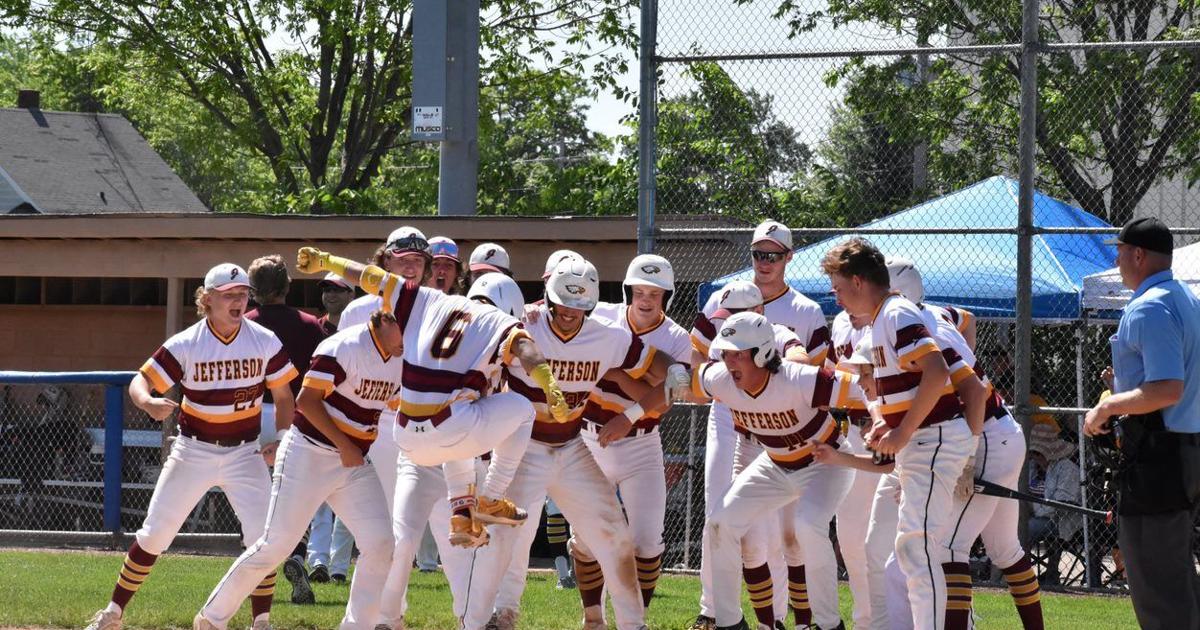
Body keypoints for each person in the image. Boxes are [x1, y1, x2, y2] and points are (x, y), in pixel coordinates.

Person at [462, 257, 686, 630]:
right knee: (499, 538)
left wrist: (677, 371)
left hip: (572, 446)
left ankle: (633, 625)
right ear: (548, 298)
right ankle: (474, 623)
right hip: (523, 448)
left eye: (579, 306)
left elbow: (657, 362)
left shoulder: (607, 336)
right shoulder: (527, 322)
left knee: (615, 535)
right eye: (563, 303)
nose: (569, 312)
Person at [84, 263, 297, 630]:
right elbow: (140, 381)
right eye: (229, 295)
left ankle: (261, 621)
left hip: (244, 451)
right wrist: (147, 402)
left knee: (263, 539)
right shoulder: (187, 342)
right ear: (207, 299)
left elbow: (284, 396)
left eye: (243, 294)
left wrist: (280, 438)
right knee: (155, 533)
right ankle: (113, 614)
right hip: (193, 450)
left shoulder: (264, 339)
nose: (238, 301)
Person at [195, 310, 404, 630]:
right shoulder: (343, 346)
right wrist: (344, 445)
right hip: (309, 453)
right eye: (406, 325)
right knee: (276, 545)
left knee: (380, 543)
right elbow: (306, 401)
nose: (413, 334)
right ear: (385, 321)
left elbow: (400, 405)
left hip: (352, 463)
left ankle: (357, 625)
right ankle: (211, 618)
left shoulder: (401, 358)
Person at [822, 238, 978, 630]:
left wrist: (902, 431)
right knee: (912, 550)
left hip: (933, 438)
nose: (836, 297)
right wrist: (889, 424)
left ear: (858, 282)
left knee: (917, 549)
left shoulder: (894, 312)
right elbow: (911, 383)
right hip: (925, 441)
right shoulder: (882, 318)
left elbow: (936, 371)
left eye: (838, 287)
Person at [886, 256, 1044, 630]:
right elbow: (967, 318)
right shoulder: (934, 315)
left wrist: (966, 459)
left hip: (984, 436)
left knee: (948, 548)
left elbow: (971, 395)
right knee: (1005, 549)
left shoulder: (925, 332)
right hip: (1000, 432)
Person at [690, 219, 831, 630]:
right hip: (728, 414)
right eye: (758, 253)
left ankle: (782, 616)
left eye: (773, 254)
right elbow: (696, 353)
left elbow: (813, 373)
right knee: (720, 508)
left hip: (784, 421)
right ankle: (713, 609)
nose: (764, 261)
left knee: (783, 526)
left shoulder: (804, 311)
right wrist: (715, 387)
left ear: (789, 257)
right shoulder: (724, 298)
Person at [696, 312, 859, 630]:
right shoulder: (720, 378)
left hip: (825, 462)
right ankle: (729, 623)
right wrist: (637, 408)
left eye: (737, 353)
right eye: (725, 353)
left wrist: (886, 423)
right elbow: (681, 380)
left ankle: (828, 624)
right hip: (776, 463)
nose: (728, 361)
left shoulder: (798, 378)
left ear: (763, 353)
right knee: (720, 522)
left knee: (807, 525)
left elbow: (864, 390)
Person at [1084, 216, 1200, 629]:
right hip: (1182, 450)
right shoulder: (1185, 298)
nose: (1116, 262)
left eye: (1119, 253)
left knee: (1158, 587)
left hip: (1158, 457)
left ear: (1138, 255)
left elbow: (1167, 389)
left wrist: (1107, 407)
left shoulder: (1150, 306)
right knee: (1175, 579)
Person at [244, 254, 329, 605]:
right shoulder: (309, 324)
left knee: (252, 497)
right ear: (287, 286)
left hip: (249, 415)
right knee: (296, 494)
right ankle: (295, 553)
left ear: (253, 289)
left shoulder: (243, 323)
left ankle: (254, 568)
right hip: (294, 415)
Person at [1025, 423, 1081, 587]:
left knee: (1028, 528)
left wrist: (1030, 507)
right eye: (1032, 452)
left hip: (1062, 520)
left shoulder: (1067, 468)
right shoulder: (1031, 467)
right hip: (1033, 514)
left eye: (1038, 453)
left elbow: (1060, 505)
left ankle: (1020, 574)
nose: (1034, 456)